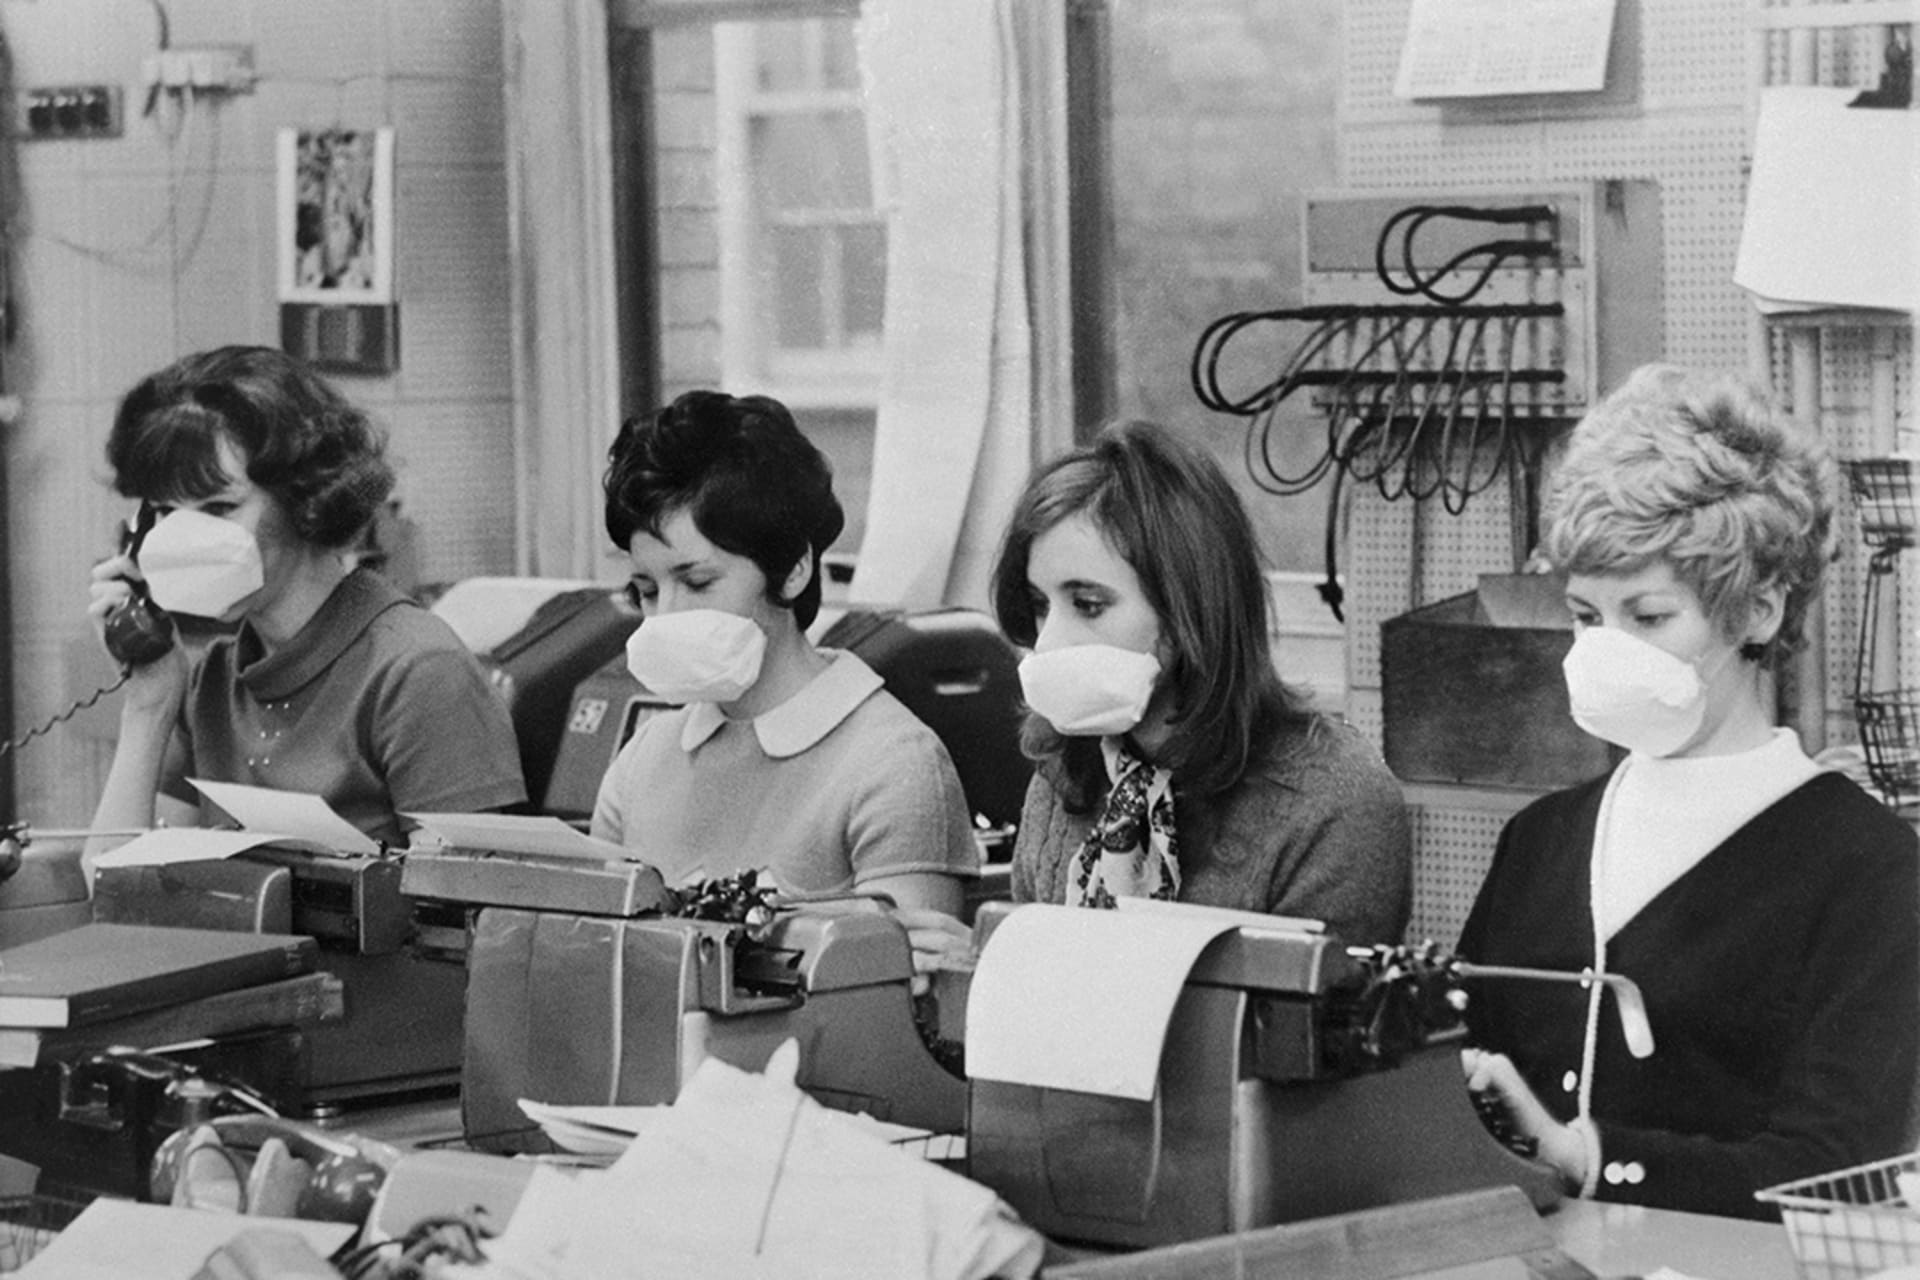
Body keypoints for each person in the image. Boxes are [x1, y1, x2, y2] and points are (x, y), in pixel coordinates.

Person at [1457, 363, 1919, 1220]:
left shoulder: (1871, 868)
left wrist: (1587, 1157)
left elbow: (1835, 1165)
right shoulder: (1542, 839)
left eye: (1650, 615)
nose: (1603, 651)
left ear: (1759, 612)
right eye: (1587, 617)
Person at [905, 418, 1412, 966]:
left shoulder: (1331, 801)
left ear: (1186, 610)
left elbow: (1295, 1042)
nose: (1048, 643)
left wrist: (1015, 981)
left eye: (1089, 605)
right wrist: (986, 975)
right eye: (1040, 605)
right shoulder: (1064, 775)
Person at [86, 345, 527, 863]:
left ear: (306, 501)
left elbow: (460, 909)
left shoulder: (417, 670)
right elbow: (114, 888)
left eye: (220, 508)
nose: (182, 538)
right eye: (164, 511)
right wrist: (148, 704)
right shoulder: (210, 680)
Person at [589, 390, 976, 914]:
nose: (665, 618)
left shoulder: (893, 764)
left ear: (794, 569)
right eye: (648, 591)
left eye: (698, 583)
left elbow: (912, 978)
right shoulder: (641, 762)